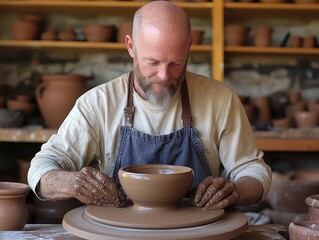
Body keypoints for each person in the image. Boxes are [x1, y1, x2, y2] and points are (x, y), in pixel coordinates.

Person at [28, 0, 271, 210]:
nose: (164, 76)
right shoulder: (99, 103)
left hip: (198, 229)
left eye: (175, 63)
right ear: (131, 47)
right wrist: (72, 183)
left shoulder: (220, 100)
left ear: (189, 48)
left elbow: (253, 170)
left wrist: (236, 190)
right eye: (152, 62)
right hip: (125, 229)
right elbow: (41, 168)